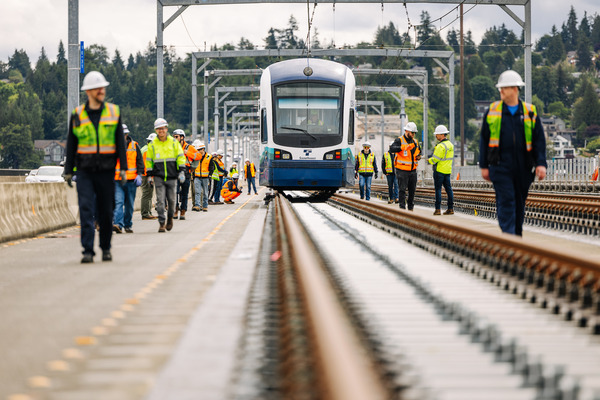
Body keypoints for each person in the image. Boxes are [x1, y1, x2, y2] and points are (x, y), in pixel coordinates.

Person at [62, 71, 127, 263]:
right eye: (98, 88)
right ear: (89, 92)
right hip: (85, 171)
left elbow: (120, 144)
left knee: (106, 211)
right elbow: (71, 144)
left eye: (103, 88)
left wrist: (123, 168)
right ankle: (88, 250)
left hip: (106, 171)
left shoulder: (113, 112)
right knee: (86, 209)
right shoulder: (78, 115)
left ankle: (106, 247)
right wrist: (68, 170)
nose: (102, 91)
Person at [479, 70, 547, 236]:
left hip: (524, 167)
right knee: (507, 200)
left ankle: (516, 235)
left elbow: (539, 141)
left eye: (505, 88)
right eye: (500, 88)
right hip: (500, 166)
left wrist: (541, 163)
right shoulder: (492, 111)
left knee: (519, 202)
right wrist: (484, 166)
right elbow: (484, 140)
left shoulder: (530, 112)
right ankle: (509, 237)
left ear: (515, 89)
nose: (501, 91)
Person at [145, 118, 186, 232]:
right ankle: (162, 223)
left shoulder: (173, 143)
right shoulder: (152, 145)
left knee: (172, 201)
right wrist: (149, 175)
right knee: (160, 201)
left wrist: (182, 170)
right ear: (156, 130)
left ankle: (170, 218)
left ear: (166, 129)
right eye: (158, 129)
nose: (161, 131)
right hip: (158, 177)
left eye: (162, 128)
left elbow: (180, 157)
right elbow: (149, 160)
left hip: (172, 177)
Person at [113, 124, 144, 233]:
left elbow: (140, 162)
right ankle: (118, 224)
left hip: (131, 180)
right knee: (119, 202)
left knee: (129, 205)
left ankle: (127, 224)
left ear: (127, 135)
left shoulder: (134, 146)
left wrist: (139, 175)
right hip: (118, 181)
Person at [389, 121, 421, 210]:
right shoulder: (399, 140)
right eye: (412, 133)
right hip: (401, 170)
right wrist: (403, 148)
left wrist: (418, 157)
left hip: (412, 170)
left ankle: (410, 207)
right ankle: (402, 207)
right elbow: (392, 149)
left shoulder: (415, 142)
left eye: (414, 133)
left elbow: (419, 152)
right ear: (407, 131)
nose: (414, 134)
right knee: (402, 190)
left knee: (412, 190)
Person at [172, 129, 201, 221]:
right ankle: (175, 209)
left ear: (182, 137)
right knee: (174, 193)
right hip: (174, 171)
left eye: (176, 137)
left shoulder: (189, 148)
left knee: (184, 193)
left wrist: (187, 153)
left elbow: (199, 156)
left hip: (186, 172)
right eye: (174, 137)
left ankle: (183, 210)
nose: (174, 138)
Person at [428, 125, 455, 216]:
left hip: (439, 171)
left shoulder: (440, 146)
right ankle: (450, 208)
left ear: (442, 134)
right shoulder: (450, 145)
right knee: (449, 190)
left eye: (437, 134)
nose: (436, 136)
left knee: (438, 190)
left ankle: (438, 209)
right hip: (447, 171)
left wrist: (429, 160)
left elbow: (435, 159)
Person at [140, 133, 157, 220]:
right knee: (147, 194)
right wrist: (150, 177)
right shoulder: (147, 150)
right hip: (146, 175)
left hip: (147, 175)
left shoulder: (146, 148)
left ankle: (148, 212)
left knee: (149, 194)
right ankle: (145, 214)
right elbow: (147, 165)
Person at [192, 141, 211, 212]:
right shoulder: (196, 157)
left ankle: (205, 206)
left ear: (203, 149)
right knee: (197, 192)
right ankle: (197, 205)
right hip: (197, 177)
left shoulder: (209, 157)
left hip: (205, 178)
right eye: (197, 150)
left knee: (205, 192)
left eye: (199, 150)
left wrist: (210, 175)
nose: (199, 151)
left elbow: (211, 166)